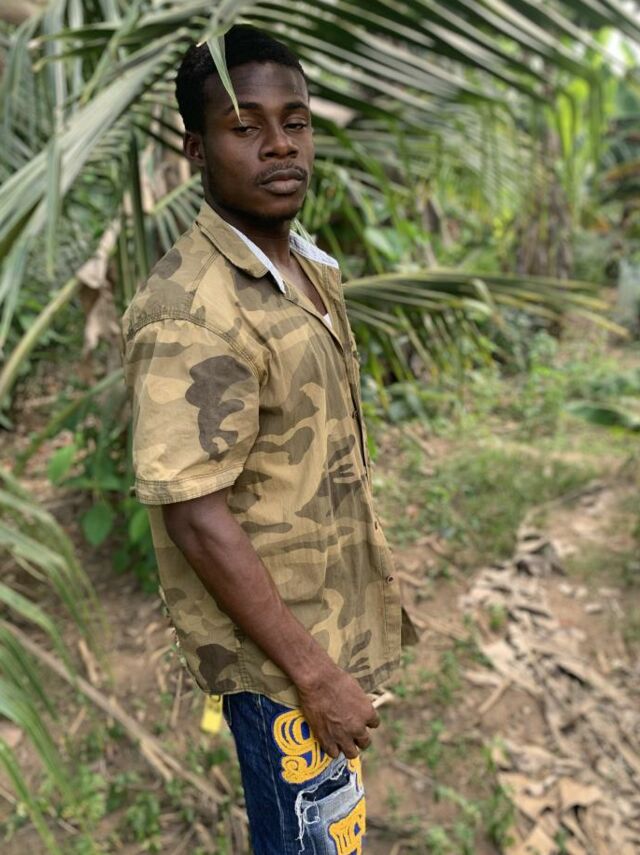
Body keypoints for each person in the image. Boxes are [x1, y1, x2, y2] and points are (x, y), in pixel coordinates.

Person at [122, 24, 413, 854]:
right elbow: (195, 516)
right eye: (244, 126)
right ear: (196, 148)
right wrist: (315, 677)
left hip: (330, 630)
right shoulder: (190, 309)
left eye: (296, 121)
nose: (280, 144)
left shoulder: (306, 268)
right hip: (284, 667)